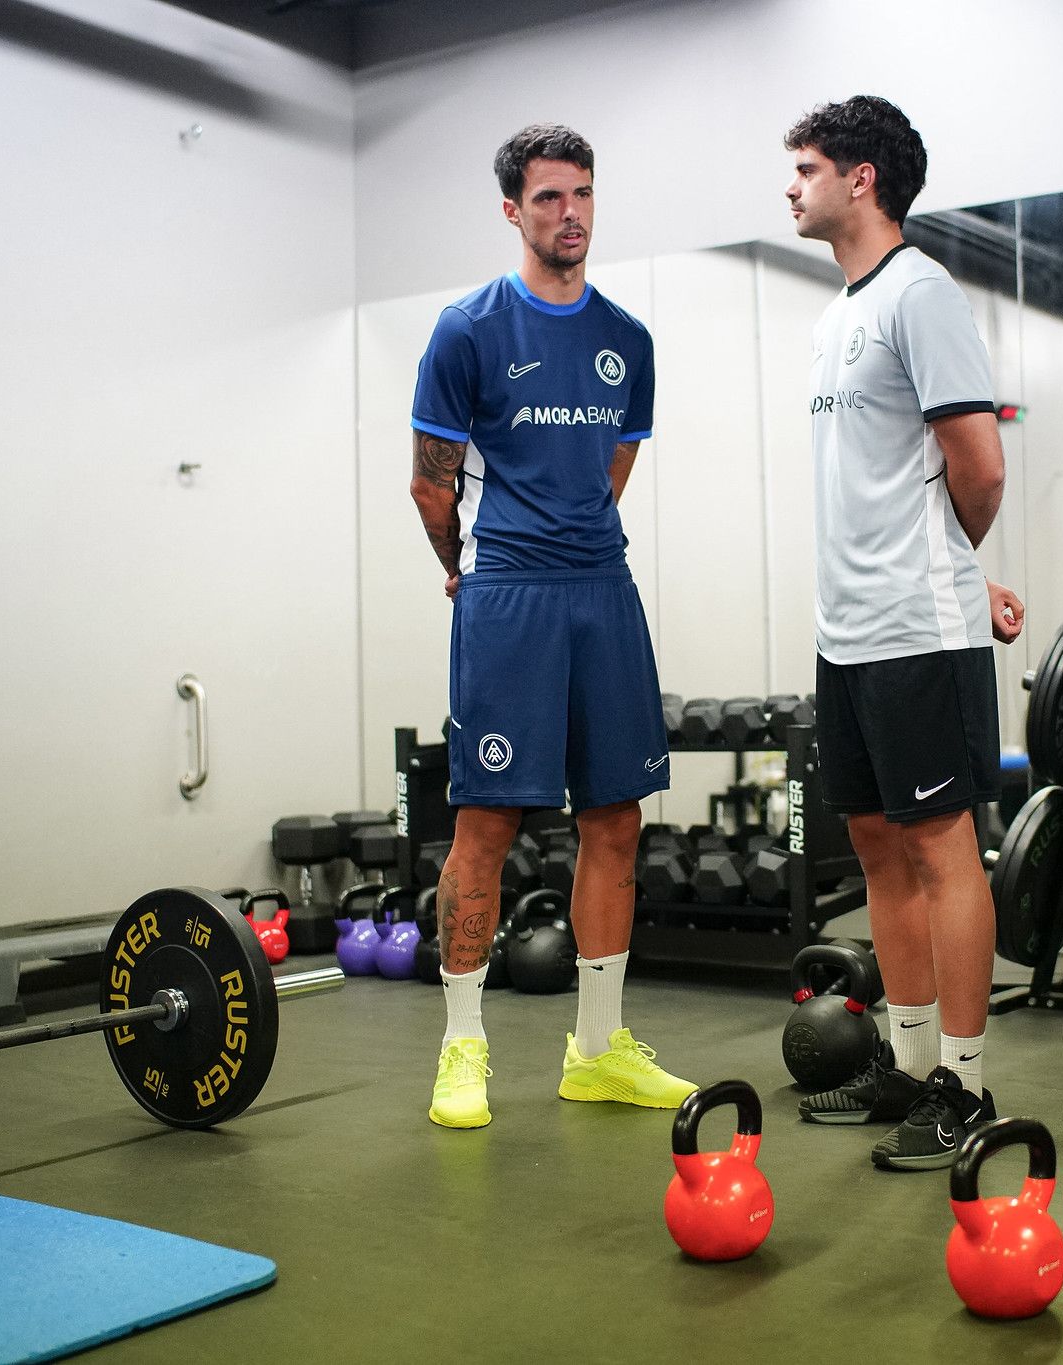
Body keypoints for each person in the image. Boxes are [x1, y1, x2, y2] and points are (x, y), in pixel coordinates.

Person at [409, 124, 697, 1129]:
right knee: (485, 824)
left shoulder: (628, 342)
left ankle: (596, 1049)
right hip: (509, 598)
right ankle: (460, 1051)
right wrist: (466, 570)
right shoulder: (467, 331)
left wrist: (570, 538)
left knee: (615, 816)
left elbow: (609, 476)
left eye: (580, 194)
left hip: (601, 592)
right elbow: (429, 481)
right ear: (511, 211)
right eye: (547, 199)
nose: (568, 213)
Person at [781, 95, 1026, 1171]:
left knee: (942, 851)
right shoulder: (836, 312)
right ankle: (911, 1065)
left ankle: (965, 1090)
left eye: (804, 168)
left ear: (861, 178)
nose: (790, 186)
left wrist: (955, 579)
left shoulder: (919, 295)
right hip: (848, 632)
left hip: (915, 629)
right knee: (878, 851)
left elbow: (978, 467)